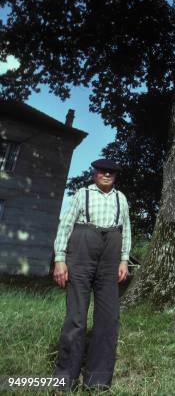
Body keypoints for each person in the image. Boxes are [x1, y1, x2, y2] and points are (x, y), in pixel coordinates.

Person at [52, 159, 131, 391]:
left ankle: (97, 382)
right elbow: (65, 226)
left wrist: (124, 260)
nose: (106, 174)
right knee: (76, 317)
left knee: (108, 319)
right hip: (82, 250)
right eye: (102, 171)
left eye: (111, 172)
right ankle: (64, 380)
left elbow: (126, 230)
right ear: (94, 173)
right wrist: (59, 259)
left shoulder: (121, 198)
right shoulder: (82, 194)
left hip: (111, 255)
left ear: (115, 175)